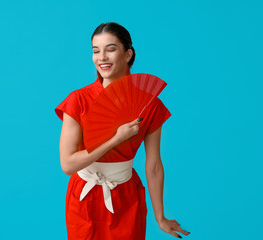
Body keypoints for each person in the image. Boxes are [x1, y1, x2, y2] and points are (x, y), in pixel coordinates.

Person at [55, 22, 190, 239]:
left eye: (111, 49)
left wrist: (160, 216)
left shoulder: (149, 104)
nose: (102, 58)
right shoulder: (78, 100)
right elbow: (68, 164)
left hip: (126, 194)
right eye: (95, 50)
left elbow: (154, 164)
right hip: (84, 195)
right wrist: (115, 139)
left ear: (128, 54)